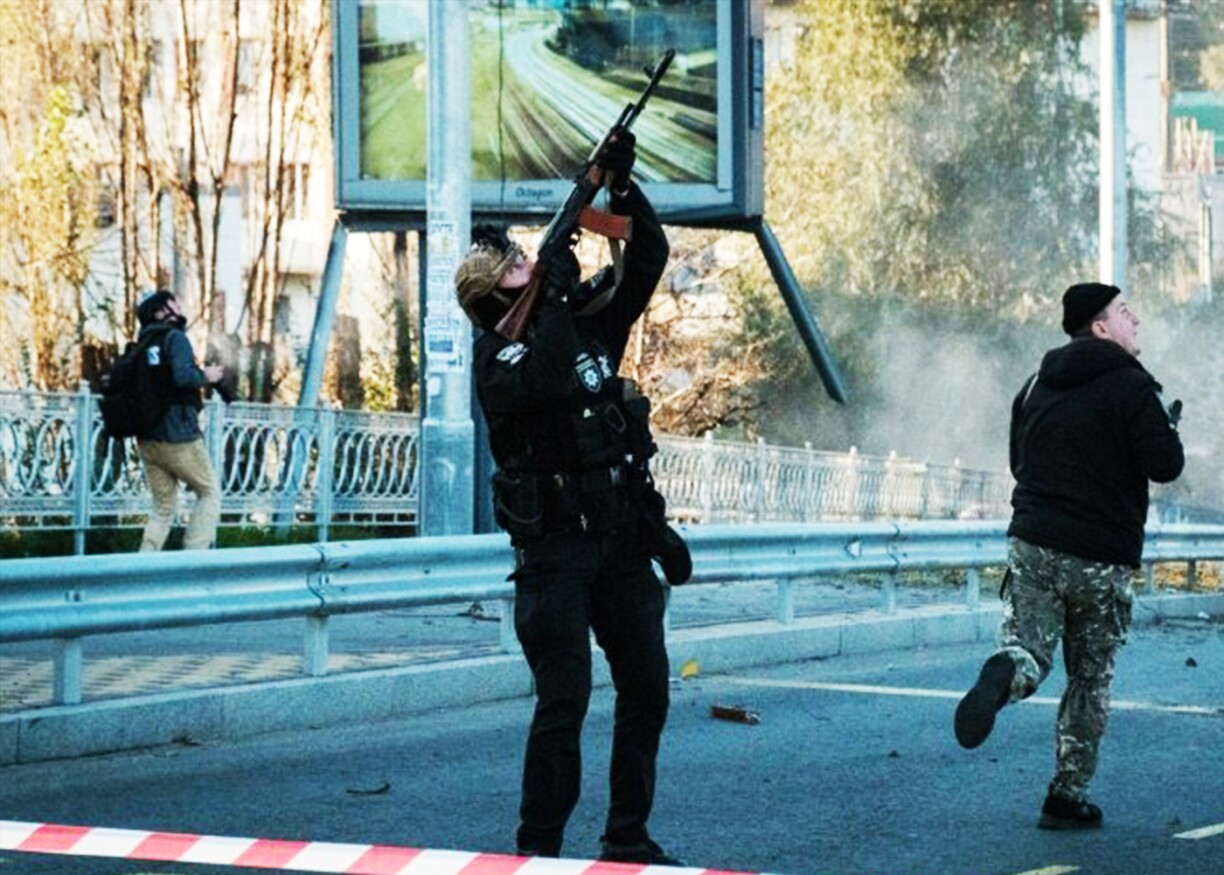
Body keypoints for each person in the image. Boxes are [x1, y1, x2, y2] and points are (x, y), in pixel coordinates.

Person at [454, 132, 690, 866]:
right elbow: (550, 374)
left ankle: (627, 834)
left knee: (647, 684)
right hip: (554, 552)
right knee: (566, 702)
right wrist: (553, 288)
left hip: (618, 535)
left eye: (532, 255)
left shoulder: (579, 319)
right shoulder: (500, 358)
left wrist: (620, 187)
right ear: (499, 293)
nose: (535, 261)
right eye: (520, 264)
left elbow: (646, 261)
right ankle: (539, 851)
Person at [954, 282, 1184, 829]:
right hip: (1099, 555)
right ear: (1100, 328)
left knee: (1030, 649)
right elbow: (1166, 465)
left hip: (1032, 541)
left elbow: (1018, 460)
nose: (1137, 321)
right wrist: (1166, 427)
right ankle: (1066, 796)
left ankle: (1006, 671)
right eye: (1126, 313)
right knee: (1089, 679)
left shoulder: (1036, 383)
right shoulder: (1133, 387)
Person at [133, 290, 225, 552]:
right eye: (175, 301)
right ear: (162, 309)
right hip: (178, 435)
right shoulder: (175, 338)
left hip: (147, 437)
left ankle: (142, 565)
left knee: (163, 507)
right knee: (209, 492)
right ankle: (193, 559)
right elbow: (183, 377)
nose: (181, 304)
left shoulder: (142, 342)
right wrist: (206, 375)